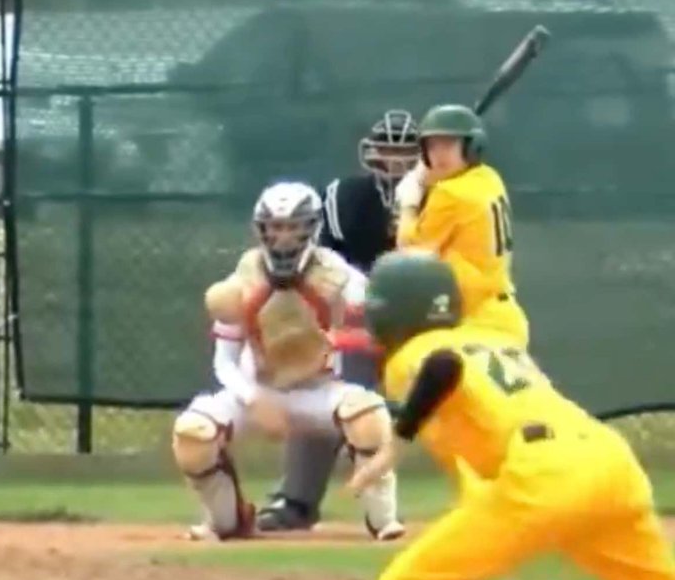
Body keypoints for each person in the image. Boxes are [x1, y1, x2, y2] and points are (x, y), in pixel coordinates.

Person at [349, 250, 675, 580]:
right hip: (611, 463)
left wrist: (393, 445)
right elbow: (470, 455)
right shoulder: (491, 338)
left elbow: (442, 366)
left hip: (546, 474)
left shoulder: (413, 354)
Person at [170, 180, 404, 542]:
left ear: (311, 229)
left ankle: (384, 522)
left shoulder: (337, 275)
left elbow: (379, 311)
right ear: (261, 230)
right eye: (275, 228)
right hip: (259, 390)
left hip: (319, 391)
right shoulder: (241, 280)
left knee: (368, 416)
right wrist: (254, 400)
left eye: (293, 227)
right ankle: (227, 521)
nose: (283, 238)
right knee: (192, 434)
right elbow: (225, 363)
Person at [259, 109, 419, 532]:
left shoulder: (443, 199)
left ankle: (498, 497)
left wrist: (411, 230)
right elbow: (326, 268)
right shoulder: (344, 199)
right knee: (332, 394)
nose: (395, 161)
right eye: (386, 150)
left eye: (405, 153)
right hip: (359, 319)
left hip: (426, 323)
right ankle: (297, 499)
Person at [394, 104, 528, 346]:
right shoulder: (488, 177)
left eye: (449, 144)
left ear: (472, 147)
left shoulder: (449, 193)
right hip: (503, 316)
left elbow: (409, 253)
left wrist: (408, 202)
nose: (439, 155)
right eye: (432, 146)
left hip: (476, 324)